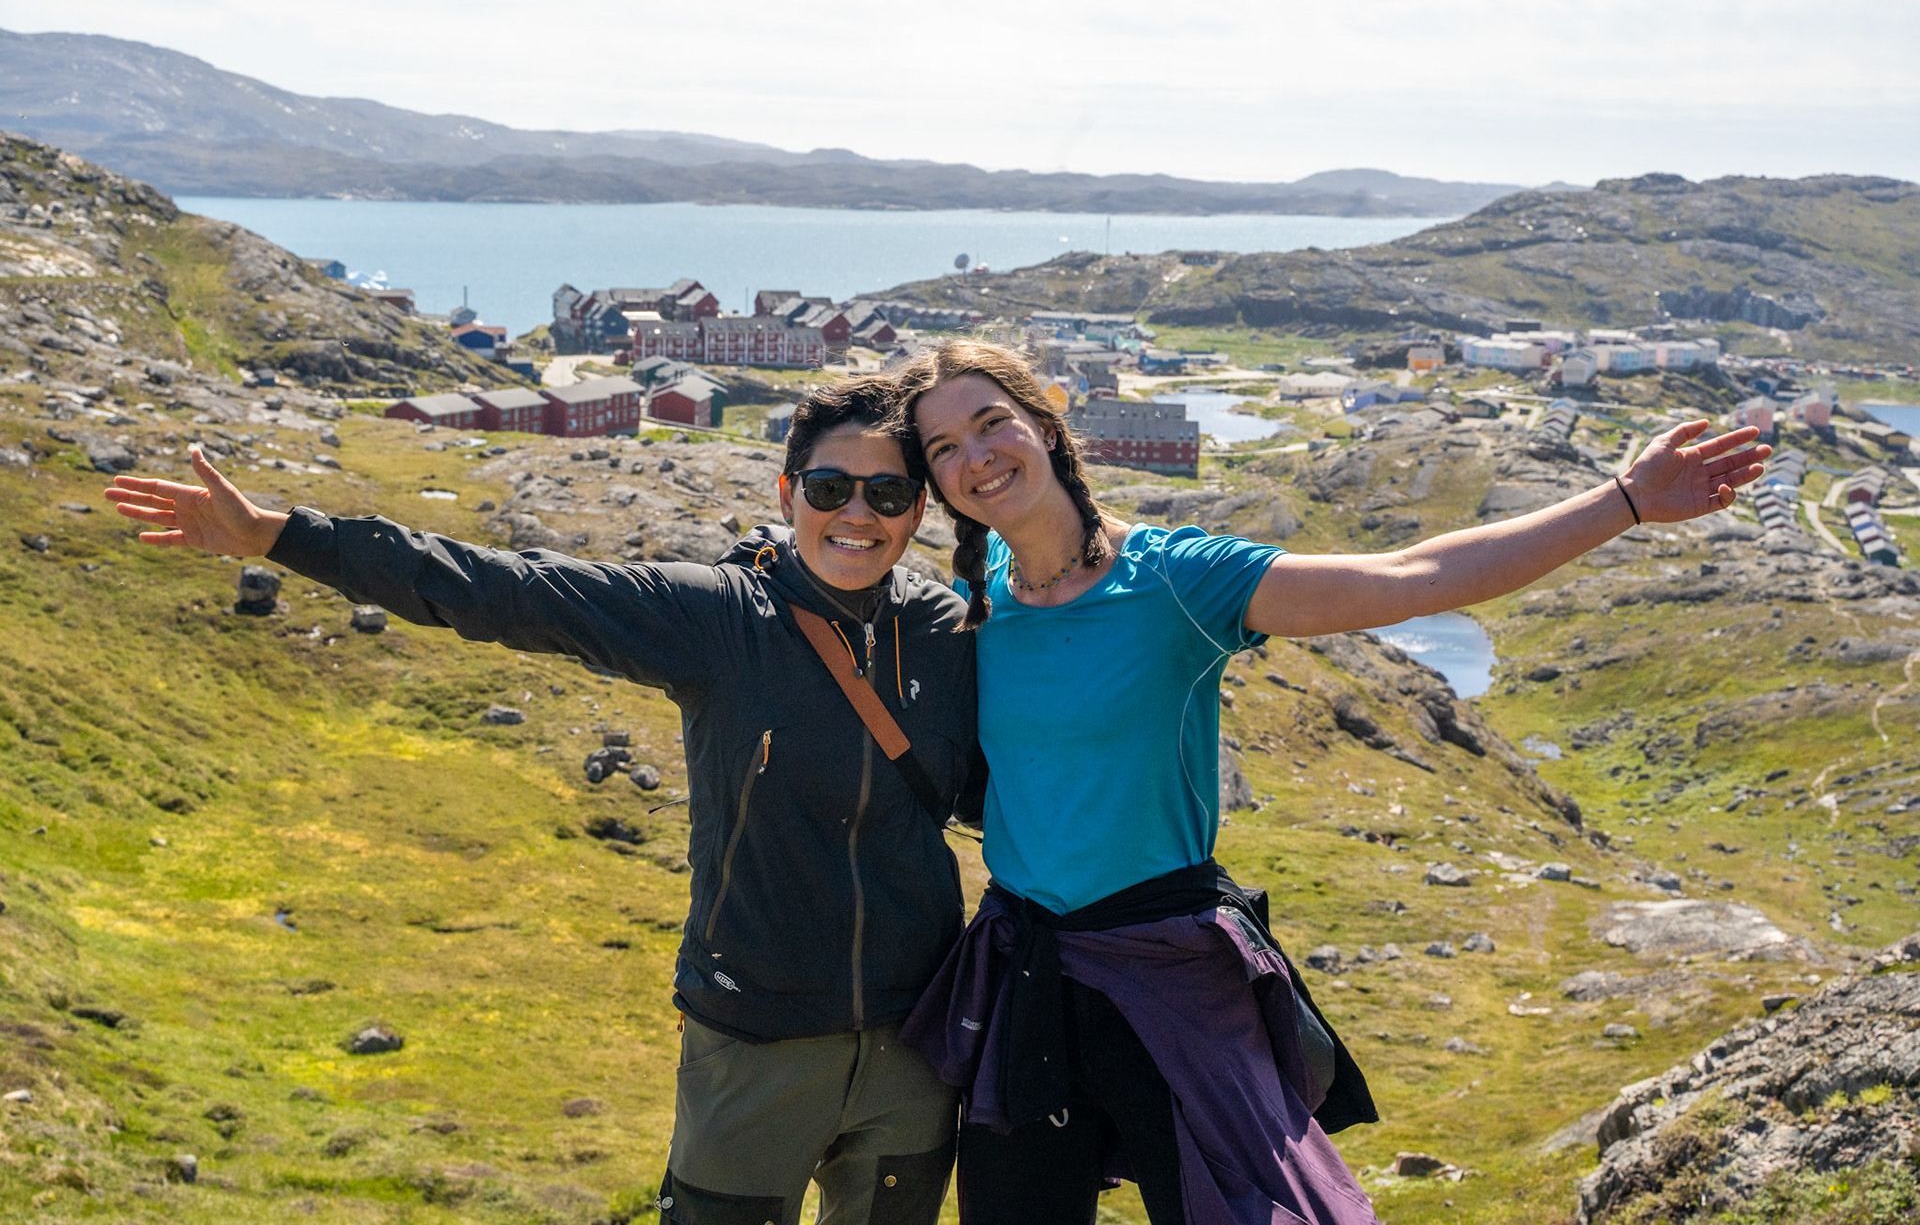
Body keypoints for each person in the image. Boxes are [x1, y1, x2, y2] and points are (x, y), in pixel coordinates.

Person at [891, 340, 1769, 1225]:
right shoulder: (981, 595)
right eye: (945, 448)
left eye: (992, 423)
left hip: (1169, 975)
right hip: (1024, 971)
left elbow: (1413, 577)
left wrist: (1623, 501)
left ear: (1046, 425)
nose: (977, 457)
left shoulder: (1173, 578)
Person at [104, 377, 982, 1225]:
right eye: (830, 488)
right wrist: (282, 536)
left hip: (913, 1046)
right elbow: (503, 588)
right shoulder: (718, 618)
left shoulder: (947, 630)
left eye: (886, 494)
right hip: (755, 1041)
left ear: (917, 510)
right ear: (789, 493)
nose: (857, 514)